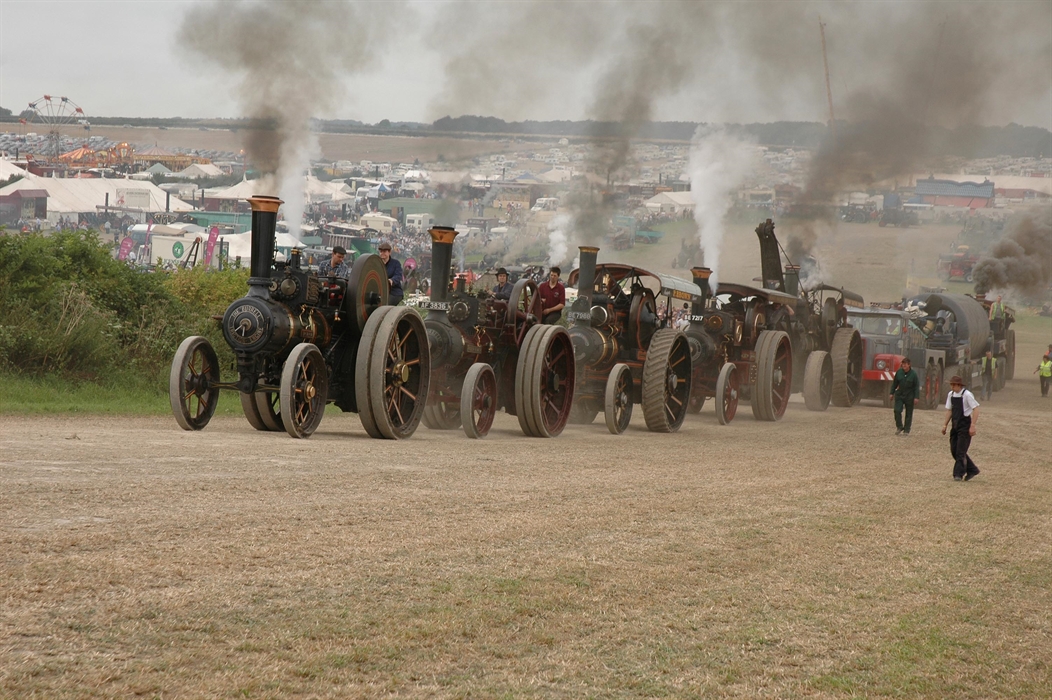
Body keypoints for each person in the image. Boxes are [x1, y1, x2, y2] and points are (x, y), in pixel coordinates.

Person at [942, 375, 980, 481]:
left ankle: (958, 474)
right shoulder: (951, 394)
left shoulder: (967, 395)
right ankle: (972, 469)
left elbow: (976, 409)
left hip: (965, 425)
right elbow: (949, 410)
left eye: (953, 385)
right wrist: (945, 425)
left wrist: (972, 425)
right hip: (955, 425)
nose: (952, 387)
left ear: (959, 385)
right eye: (951, 385)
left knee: (960, 451)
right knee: (954, 450)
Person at [890, 357, 920, 435]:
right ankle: (899, 426)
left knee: (909, 413)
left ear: (909, 365)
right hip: (900, 395)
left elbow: (916, 386)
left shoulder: (913, 374)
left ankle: (906, 430)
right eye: (902, 364)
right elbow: (894, 384)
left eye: (905, 364)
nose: (903, 366)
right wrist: (891, 393)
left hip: (909, 396)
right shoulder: (899, 372)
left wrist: (916, 397)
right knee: (897, 410)